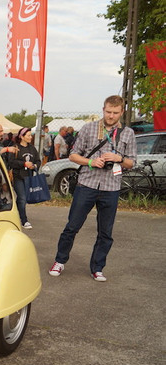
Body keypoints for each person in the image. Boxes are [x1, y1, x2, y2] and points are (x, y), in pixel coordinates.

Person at [48, 95, 136, 282]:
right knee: (72, 226)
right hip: (87, 184)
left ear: (122, 112)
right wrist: (91, 161)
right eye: (108, 111)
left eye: (115, 112)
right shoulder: (89, 128)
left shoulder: (128, 133)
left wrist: (118, 159)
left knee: (105, 232)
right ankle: (59, 260)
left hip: (111, 187)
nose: (111, 116)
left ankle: (97, 268)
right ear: (103, 109)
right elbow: (73, 155)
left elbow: (131, 162)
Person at [7, 127, 40, 229]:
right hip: (18, 176)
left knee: (22, 199)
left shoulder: (32, 149)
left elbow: (38, 161)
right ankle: (24, 220)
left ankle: (15, 214)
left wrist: (34, 166)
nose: (30, 137)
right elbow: (11, 162)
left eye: (31, 135)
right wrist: (24, 164)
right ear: (22, 136)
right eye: (28, 135)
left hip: (28, 177)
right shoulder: (15, 148)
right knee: (22, 198)